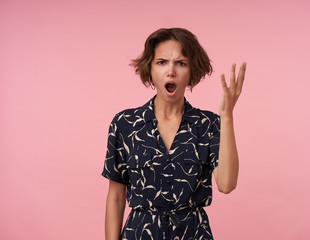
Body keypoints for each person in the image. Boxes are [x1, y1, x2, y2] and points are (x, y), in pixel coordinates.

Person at [101, 27, 246, 240]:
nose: (171, 71)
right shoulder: (125, 124)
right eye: (162, 62)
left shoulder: (208, 124)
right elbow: (115, 197)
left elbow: (226, 184)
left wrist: (226, 115)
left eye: (181, 63)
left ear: (192, 71)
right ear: (149, 69)